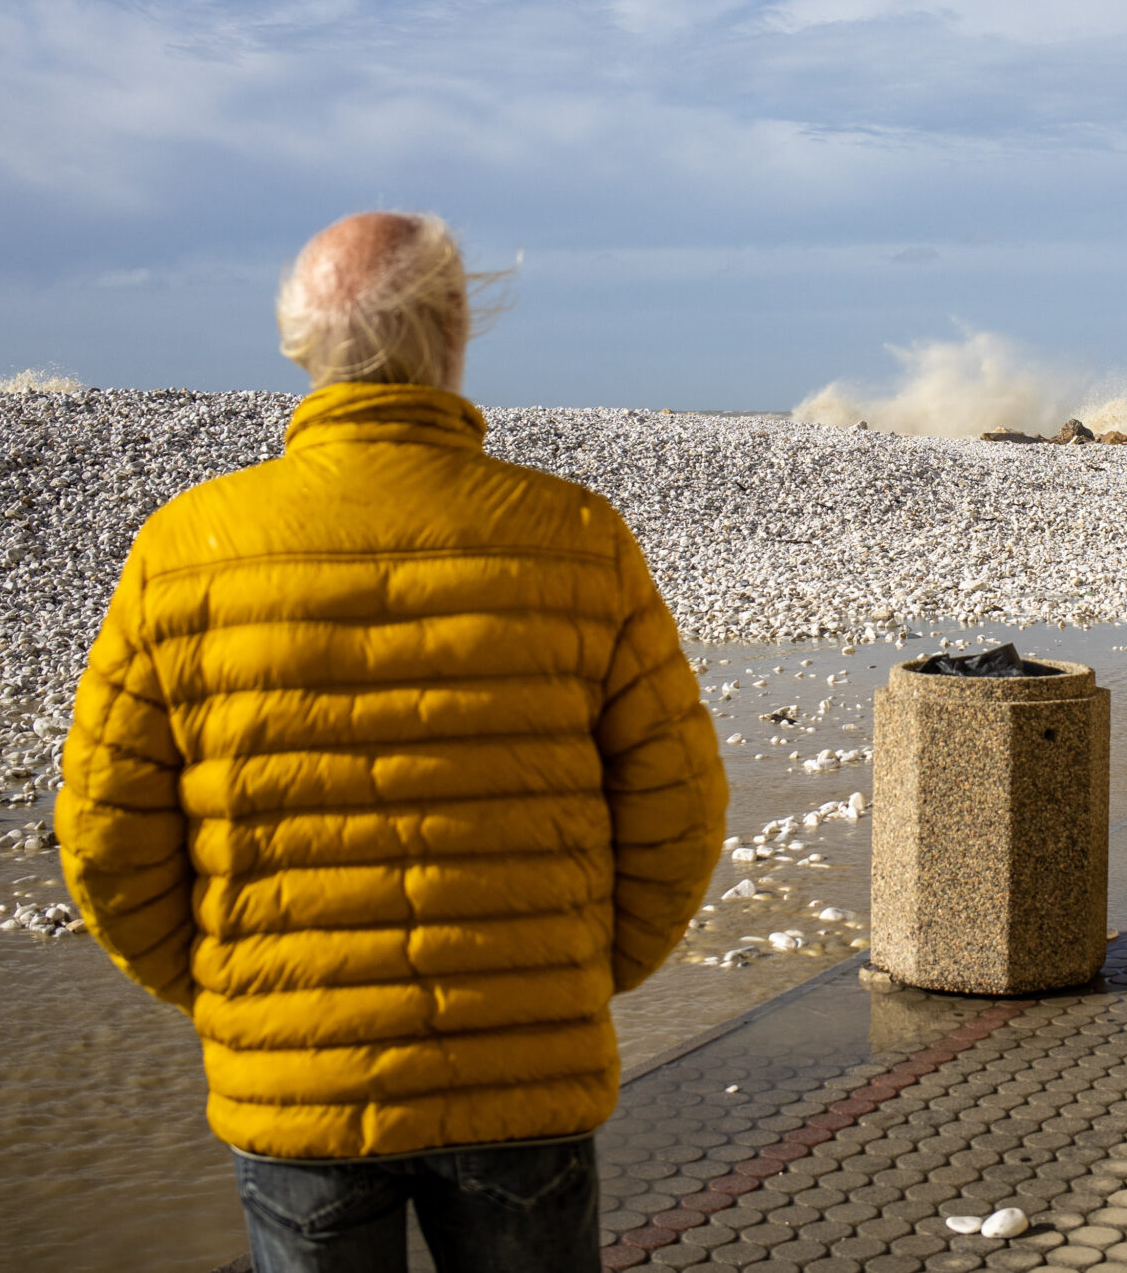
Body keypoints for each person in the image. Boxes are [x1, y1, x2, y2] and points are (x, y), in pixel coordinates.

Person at [56, 211, 728, 1273]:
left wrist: (239, 989)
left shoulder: (186, 548)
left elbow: (103, 833)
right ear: (456, 329)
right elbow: (681, 806)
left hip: (297, 1089)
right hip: (526, 1066)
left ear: (299, 341)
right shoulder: (575, 536)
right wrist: (577, 972)